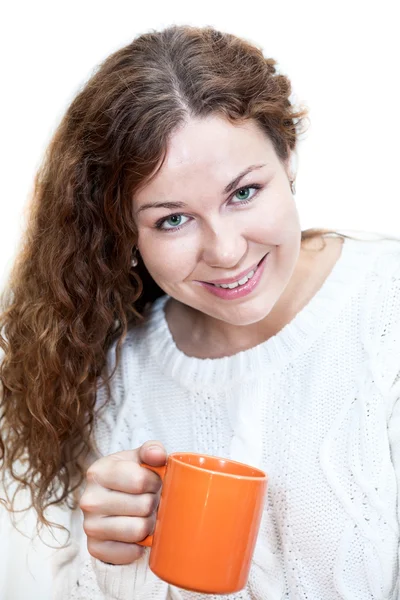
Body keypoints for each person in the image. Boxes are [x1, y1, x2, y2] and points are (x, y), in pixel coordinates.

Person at [0, 23, 399, 600]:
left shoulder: (385, 310)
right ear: (122, 231)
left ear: (287, 159)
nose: (226, 250)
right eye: (172, 219)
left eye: (243, 193)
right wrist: (120, 561)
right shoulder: (120, 377)